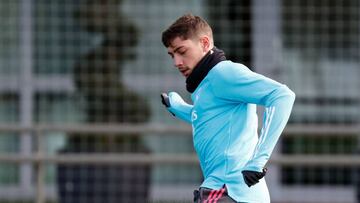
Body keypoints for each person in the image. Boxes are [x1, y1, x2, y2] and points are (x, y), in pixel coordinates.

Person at [160, 14, 295, 203]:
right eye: (172, 55)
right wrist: (178, 107)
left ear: (205, 43)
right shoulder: (206, 85)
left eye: (181, 51)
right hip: (227, 190)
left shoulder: (223, 74)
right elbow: (208, 118)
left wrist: (259, 160)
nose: (176, 62)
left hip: (229, 190)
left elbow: (282, 96)